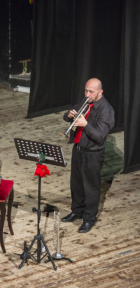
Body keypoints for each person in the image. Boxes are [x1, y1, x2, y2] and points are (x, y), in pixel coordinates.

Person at [61, 78, 115, 233]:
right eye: (86, 90)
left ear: (100, 92)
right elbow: (67, 116)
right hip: (78, 150)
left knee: (90, 188)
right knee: (76, 185)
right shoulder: (85, 101)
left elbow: (99, 136)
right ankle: (77, 211)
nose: (87, 94)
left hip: (92, 154)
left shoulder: (106, 110)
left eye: (91, 91)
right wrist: (69, 115)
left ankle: (89, 219)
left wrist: (86, 125)